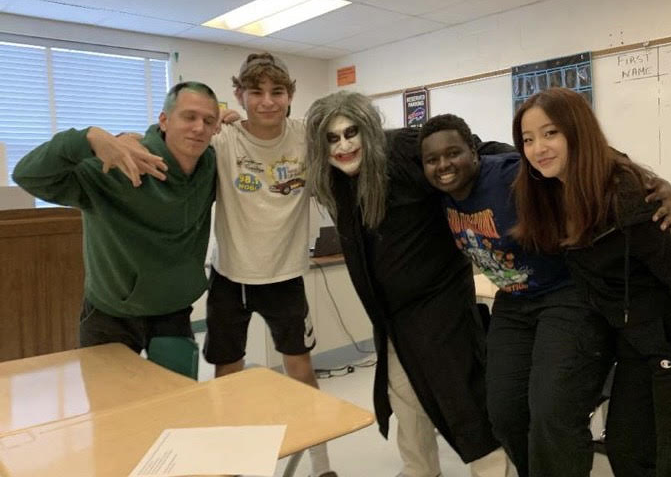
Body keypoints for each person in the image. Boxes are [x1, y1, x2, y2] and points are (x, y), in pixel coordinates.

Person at [419, 113, 671, 477]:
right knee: (505, 413)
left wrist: (647, 181)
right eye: (433, 159)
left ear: (474, 152)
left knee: (552, 411)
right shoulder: (437, 194)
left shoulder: (509, 173)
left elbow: (581, 157)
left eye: (453, 153)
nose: (444, 164)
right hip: (513, 302)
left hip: (566, 293)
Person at [513, 87, 671, 477]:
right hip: (636, 346)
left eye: (551, 133)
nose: (538, 148)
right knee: (627, 450)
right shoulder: (553, 192)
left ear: (577, 131)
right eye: (528, 139)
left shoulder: (626, 195)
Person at [305, 92, 510, 477]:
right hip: (393, 319)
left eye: (351, 133)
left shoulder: (401, 150)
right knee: (406, 401)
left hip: (441, 307)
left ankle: (494, 470)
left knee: (463, 399)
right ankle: (420, 471)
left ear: (367, 128)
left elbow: (480, 152)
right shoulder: (336, 179)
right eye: (332, 138)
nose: (345, 145)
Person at [12, 81, 219, 354]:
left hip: (174, 312)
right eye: (189, 117)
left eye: (208, 120)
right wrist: (89, 138)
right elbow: (27, 175)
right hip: (111, 316)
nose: (198, 127)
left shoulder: (211, 166)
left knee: (177, 395)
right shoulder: (118, 165)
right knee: (111, 397)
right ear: (164, 120)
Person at [204, 52, 336, 477]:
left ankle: (321, 465)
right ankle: (230, 462)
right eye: (255, 92)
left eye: (276, 91)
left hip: (285, 276)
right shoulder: (224, 140)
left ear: (290, 95)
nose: (266, 101)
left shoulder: (307, 137)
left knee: (301, 370)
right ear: (239, 95)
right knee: (228, 373)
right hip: (231, 276)